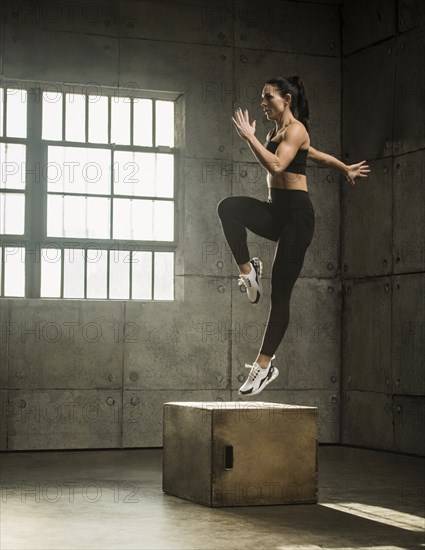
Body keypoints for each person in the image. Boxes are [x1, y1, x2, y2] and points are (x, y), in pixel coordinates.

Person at [217, 75, 370, 397]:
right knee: (228, 207)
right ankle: (248, 271)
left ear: (287, 98)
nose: (263, 103)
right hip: (276, 211)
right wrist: (344, 168)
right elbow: (313, 155)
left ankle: (264, 365)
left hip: (298, 220)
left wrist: (249, 138)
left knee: (280, 295)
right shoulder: (279, 132)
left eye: (268, 97)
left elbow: (276, 165)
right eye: (262, 98)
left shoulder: (296, 128)